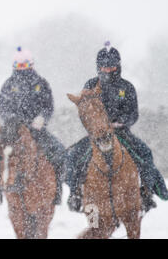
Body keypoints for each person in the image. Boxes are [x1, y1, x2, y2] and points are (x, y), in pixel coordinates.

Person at [66, 42, 168, 213]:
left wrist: (120, 121)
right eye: (103, 68)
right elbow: (84, 110)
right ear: (98, 67)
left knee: (144, 153)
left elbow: (133, 114)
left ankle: (147, 192)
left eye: (110, 68)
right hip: (97, 135)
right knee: (73, 156)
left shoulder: (126, 87)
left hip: (120, 133)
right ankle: (75, 194)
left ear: (117, 66)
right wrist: (96, 125)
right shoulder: (90, 84)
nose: (106, 71)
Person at [0, 47, 66, 205]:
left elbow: (48, 106)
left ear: (31, 65)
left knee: (59, 152)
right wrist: (12, 120)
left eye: (24, 66)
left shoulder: (41, 83)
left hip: (37, 131)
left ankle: (58, 190)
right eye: (18, 66)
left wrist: (42, 118)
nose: (21, 69)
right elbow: (3, 106)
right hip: (14, 132)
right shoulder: (8, 84)